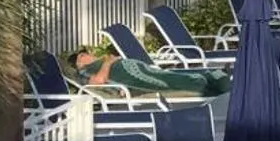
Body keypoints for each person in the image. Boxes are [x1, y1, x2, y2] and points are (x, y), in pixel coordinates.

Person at [69, 49, 229, 99]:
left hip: (144, 70)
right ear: (79, 63)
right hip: (136, 81)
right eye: (83, 55)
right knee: (171, 80)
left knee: (169, 76)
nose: (88, 54)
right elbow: (98, 81)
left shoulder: (100, 62)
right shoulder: (85, 72)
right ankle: (216, 82)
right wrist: (109, 62)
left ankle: (218, 79)